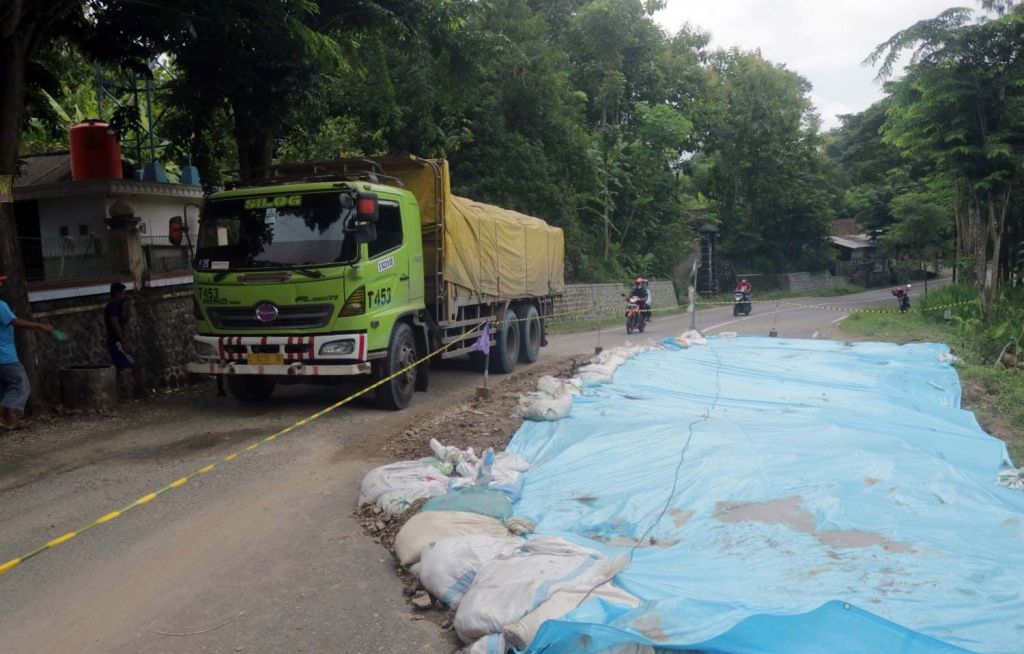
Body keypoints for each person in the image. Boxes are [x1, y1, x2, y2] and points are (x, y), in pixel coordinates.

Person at [0, 275, 57, 429]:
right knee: (21, 384)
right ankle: (4, 415)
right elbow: (15, 321)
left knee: (5, 388)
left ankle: (8, 421)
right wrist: (40, 327)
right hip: (5, 356)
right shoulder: (1, 305)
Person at [105, 282, 149, 399]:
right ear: (117, 294)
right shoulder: (113, 305)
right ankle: (142, 392)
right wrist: (124, 342)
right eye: (123, 293)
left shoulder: (118, 306)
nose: (125, 295)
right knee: (135, 365)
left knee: (118, 369)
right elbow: (115, 324)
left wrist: (129, 305)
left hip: (117, 341)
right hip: (117, 342)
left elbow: (126, 320)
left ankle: (110, 393)